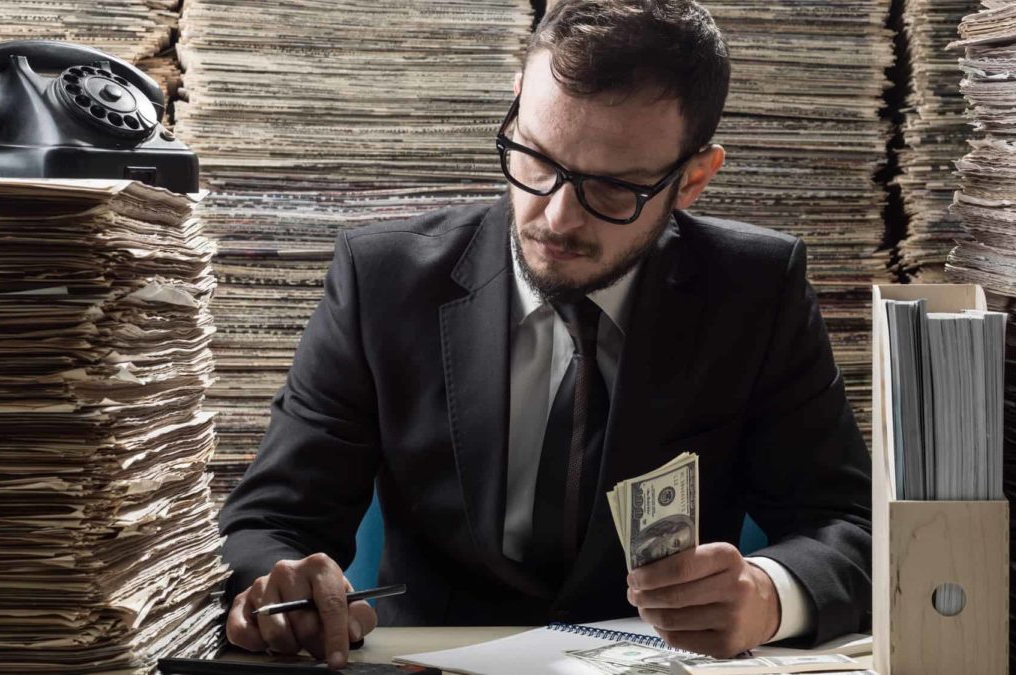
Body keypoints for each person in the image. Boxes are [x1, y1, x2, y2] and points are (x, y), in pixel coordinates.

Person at [218, 0, 872, 668]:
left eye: (613, 188)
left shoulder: (756, 290)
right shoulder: (382, 280)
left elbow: (850, 526)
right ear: (516, 104)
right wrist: (281, 586)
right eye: (534, 157)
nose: (556, 217)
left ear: (693, 179)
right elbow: (268, 522)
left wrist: (769, 593)